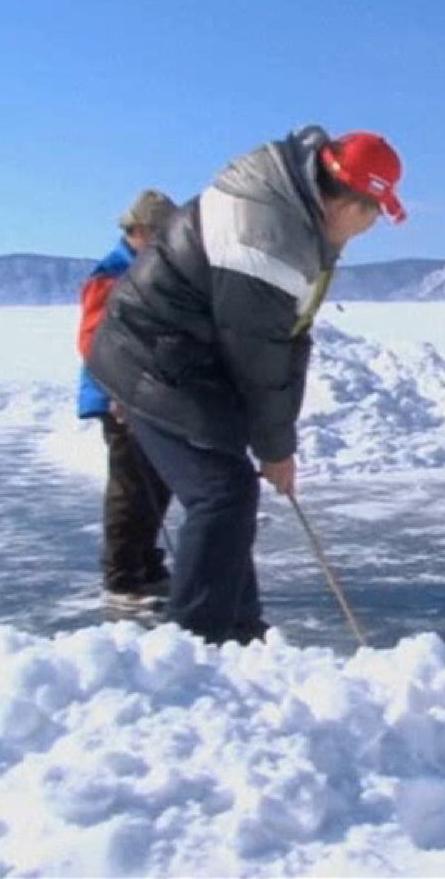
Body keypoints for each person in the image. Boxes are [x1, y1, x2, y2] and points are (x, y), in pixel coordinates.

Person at [87, 126, 405, 645]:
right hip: (155, 357)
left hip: (174, 357)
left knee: (225, 489)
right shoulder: (271, 241)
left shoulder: (291, 213)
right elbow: (260, 356)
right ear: (352, 205)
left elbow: (287, 338)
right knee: (223, 493)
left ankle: (239, 630)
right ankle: (195, 646)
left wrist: (274, 442)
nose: (368, 228)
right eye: (373, 214)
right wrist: (276, 449)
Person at [76, 189, 177, 609]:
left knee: (158, 481)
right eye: (159, 234)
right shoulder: (113, 275)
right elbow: (94, 340)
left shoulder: (152, 271)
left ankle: (147, 563)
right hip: (119, 398)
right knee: (130, 486)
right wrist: (119, 390)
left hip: (149, 397)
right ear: (137, 231)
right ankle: (121, 577)